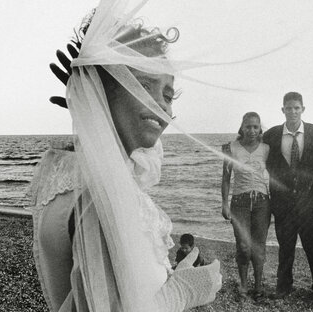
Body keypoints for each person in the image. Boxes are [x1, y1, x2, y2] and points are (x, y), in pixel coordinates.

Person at [29, 2, 221, 311]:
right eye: (145, 86)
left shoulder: (71, 173)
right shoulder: (98, 199)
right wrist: (185, 291)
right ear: (109, 87)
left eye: (169, 96)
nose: (164, 108)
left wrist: (92, 103)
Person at [262, 92, 313, 303]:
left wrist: (302, 184)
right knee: (286, 246)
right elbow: (267, 163)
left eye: (296, 108)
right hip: (282, 202)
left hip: (309, 201)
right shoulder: (271, 135)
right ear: (282, 110)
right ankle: (283, 286)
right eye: (288, 108)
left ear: (303, 109)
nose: (292, 112)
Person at [221, 112, 271, 301]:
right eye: (248, 126)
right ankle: (243, 285)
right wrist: (224, 204)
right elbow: (226, 178)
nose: (251, 130)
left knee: (258, 246)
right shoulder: (230, 148)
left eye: (255, 127)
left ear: (260, 129)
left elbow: (275, 175)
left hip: (262, 202)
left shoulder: (267, 148)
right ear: (242, 127)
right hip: (239, 203)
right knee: (243, 246)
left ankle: (258, 286)